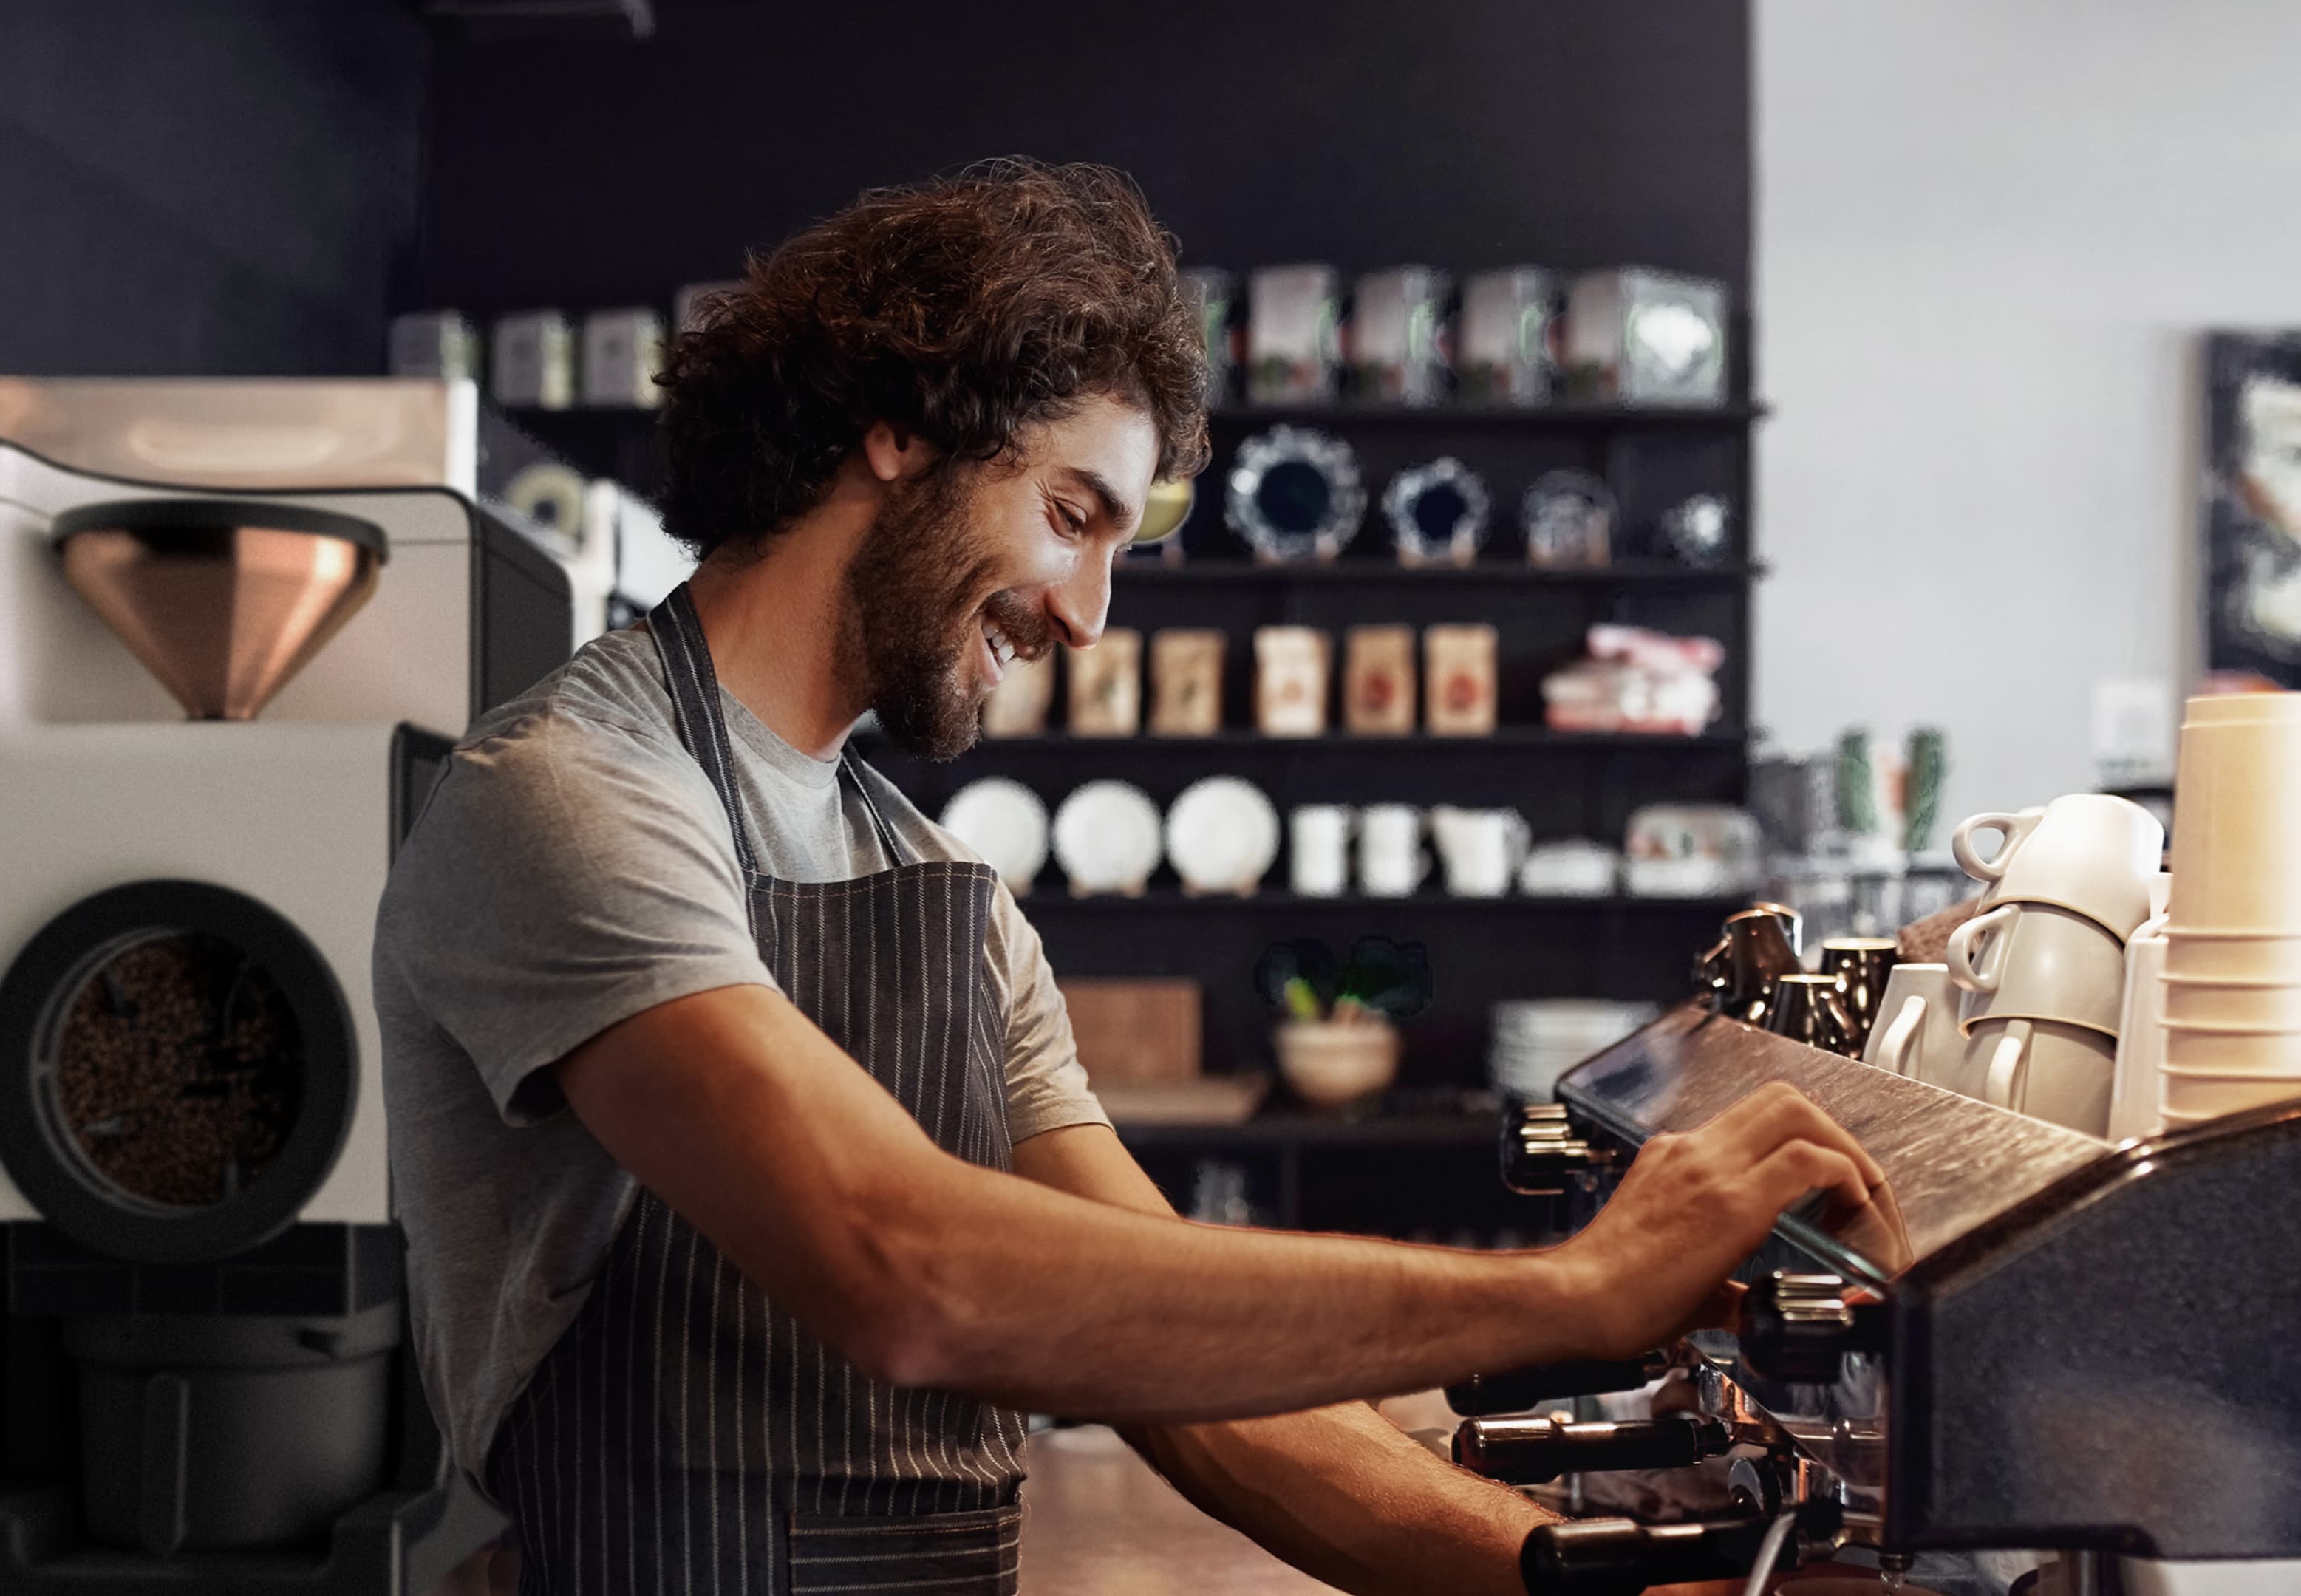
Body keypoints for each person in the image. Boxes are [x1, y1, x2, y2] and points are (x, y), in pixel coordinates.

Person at [376, 158, 1889, 1595]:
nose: (1089, 617)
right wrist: (1575, 1291)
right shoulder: (577, 797)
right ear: (903, 428)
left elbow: (1198, 1388)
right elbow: (904, 1267)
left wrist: (1599, 1580)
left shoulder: (941, 894)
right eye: (1071, 514)